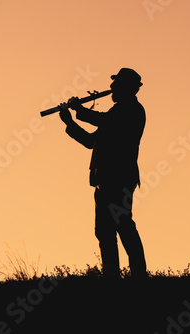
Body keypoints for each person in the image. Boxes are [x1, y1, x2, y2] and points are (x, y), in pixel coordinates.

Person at [58, 68, 147, 279]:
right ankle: (111, 276)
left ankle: (139, 274)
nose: (112, 88)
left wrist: (79, 110)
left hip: (119, 179)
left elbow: (102, 121)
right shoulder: (116, 112)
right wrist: (70, 122)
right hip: (104, 180)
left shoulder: (131, 110)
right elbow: (91, 141)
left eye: (116, 85)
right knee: (105, 231)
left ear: (127, 88)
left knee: (123, 226)